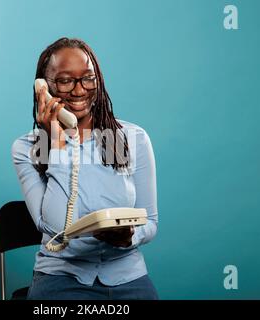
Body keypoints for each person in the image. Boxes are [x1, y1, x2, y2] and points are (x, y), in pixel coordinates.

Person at [11, 37, 159, 300]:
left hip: (127, 274)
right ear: (43, 88)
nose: (79, 90)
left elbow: (151, 221)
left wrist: (129, 238)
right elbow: (55, 227)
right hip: (61, 278)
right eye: (65, 80)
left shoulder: (132, 138)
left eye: (88, 78)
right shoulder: (28, 148)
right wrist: (55, 141)